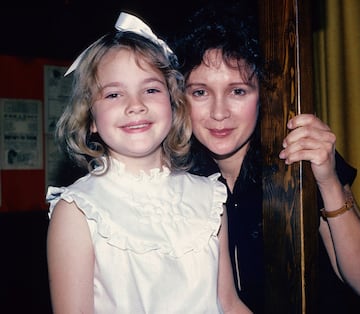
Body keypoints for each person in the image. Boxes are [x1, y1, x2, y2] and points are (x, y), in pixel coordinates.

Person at [173, 3, 360, 313]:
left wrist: (327, 180)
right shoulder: (176, 176)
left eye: (238, 91)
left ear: (263, 95)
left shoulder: (297, 154)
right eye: (201, 92)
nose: (219, 113)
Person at [46, 12, 251, 314]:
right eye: (114, 94)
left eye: (151, 90)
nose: (136, 105)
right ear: (90, 118)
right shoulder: (78, 211)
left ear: (174, 102)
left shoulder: (210, 198)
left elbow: (230, 304)